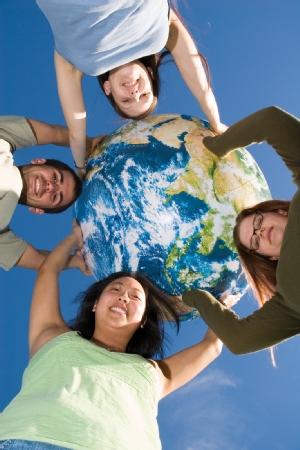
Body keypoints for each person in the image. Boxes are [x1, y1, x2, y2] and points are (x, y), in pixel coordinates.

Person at [0, 220, 236, 449]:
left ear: (143, 319)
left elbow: (212, 346)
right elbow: (48, 270)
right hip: (28, 439)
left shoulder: (154, 374)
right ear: (95, 304)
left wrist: (223, 304)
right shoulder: (51, 336)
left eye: (135, 297)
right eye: (115, 289)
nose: (124, 297)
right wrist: (75, 237)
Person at [36, 0, 227, 178]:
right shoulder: (162, 33)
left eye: (126, 100)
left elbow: (76, 132)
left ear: (108, 88)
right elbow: (200, 85)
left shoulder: (74, 63)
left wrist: (81, 169)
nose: (134, 94)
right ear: (151, 74)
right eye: (144, 94)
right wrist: (215, 122)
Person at [180, 106, 300, 355]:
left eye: (257, 223)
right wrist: (192, 298)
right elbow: (239, 341)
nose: (259, 234)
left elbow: (271, 120)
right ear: (271, 257)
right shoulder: (288, 300)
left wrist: (216, 146)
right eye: (254, 243)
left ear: (280, 212)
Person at [0, 115, 101, 272]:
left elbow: (40, 262)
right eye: (55, 177)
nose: (51, 187)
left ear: (37, 210)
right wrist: (87, 144)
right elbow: (54, 133)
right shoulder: (3, 138)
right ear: (39, 161)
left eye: (55, 197)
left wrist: (76, 261)